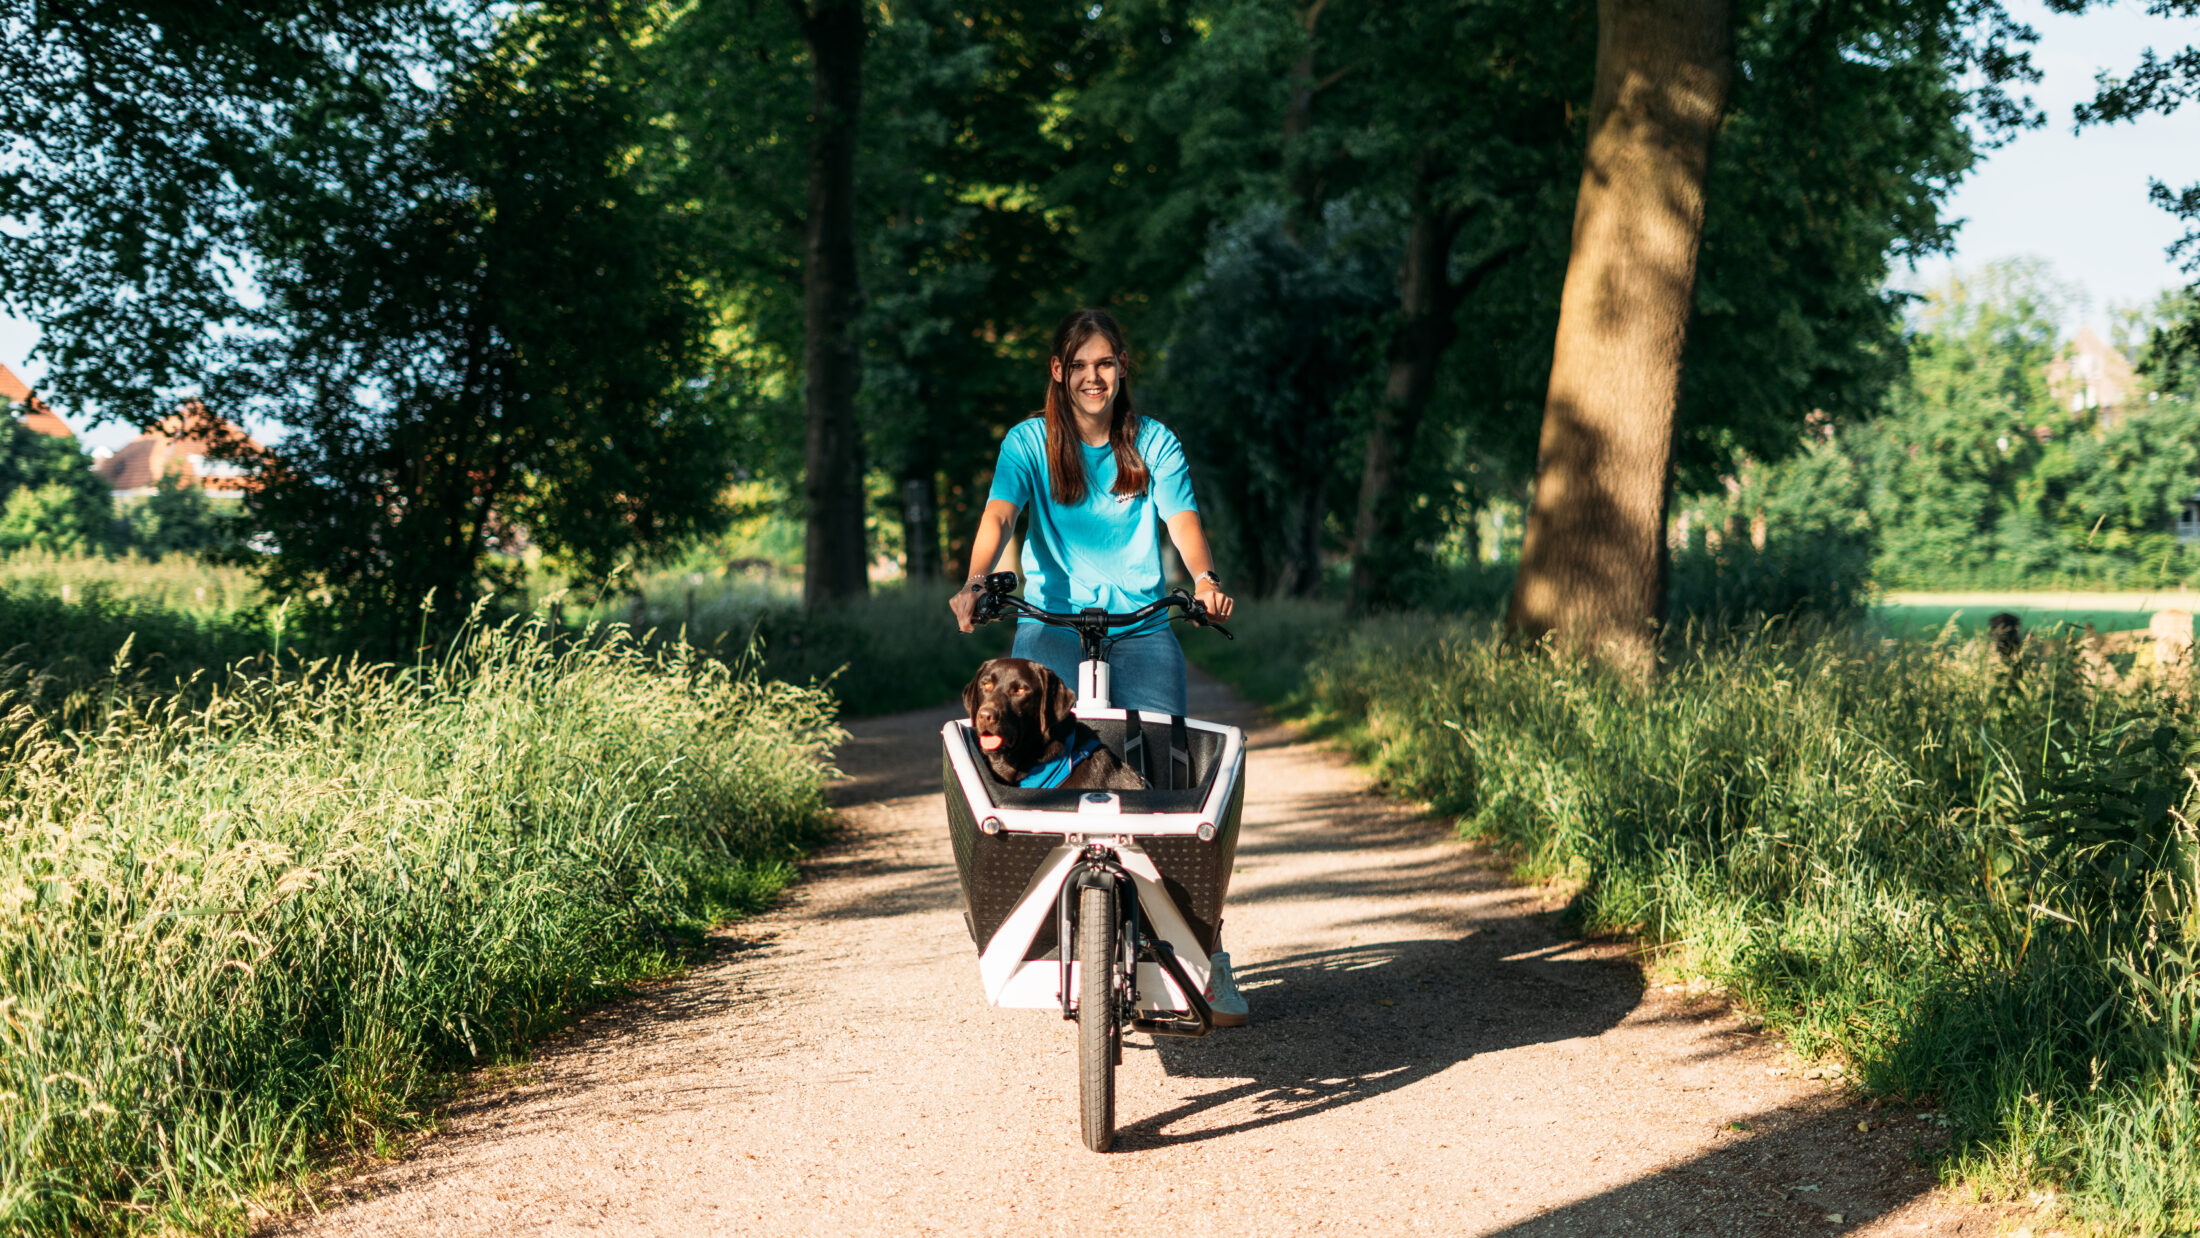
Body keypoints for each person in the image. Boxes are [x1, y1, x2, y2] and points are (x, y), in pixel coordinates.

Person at [947, 306, 1250, 1026]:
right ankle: (1040, 924)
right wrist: (975, 578)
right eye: (1079, 364)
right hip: (1051, 628)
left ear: (1121, 371)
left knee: (1170, 783)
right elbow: (998, 515)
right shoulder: (1028, 442)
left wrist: (1203, 581)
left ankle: (1207, 951)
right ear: (1058, 371)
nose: (1093, 377)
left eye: (1106, 363)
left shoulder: (1155, 443)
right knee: (1025, 772)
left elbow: (1184, 525)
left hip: (1141, 626)